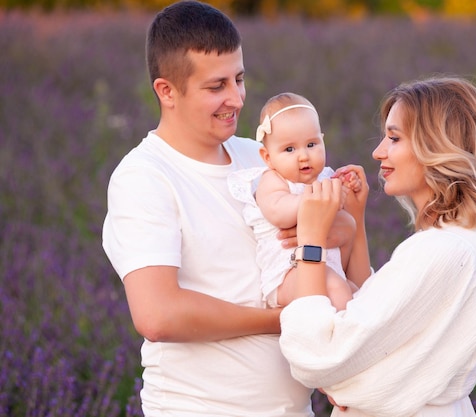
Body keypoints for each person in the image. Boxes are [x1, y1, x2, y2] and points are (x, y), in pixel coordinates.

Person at [102, 1, 353, 415]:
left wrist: (336, 222)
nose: (236, 99)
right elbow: (158, 315)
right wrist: (288, 317)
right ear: (167, 91)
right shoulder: (145, 177)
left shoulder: (261, 156)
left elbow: (335, 233)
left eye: (239, 79)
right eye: (216, 86)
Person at [278, 76, 476, 417]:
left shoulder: (440, 250)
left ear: (436, 146)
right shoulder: (475, 240)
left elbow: (320, 358)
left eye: (394, 138)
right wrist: (356, 220)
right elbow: (375, 317)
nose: (378, 152)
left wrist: (311, 242)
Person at [228, 92, 370, 310]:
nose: (303, 156)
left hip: (327, 265)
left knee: (358, 293)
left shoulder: (324, 178)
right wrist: (314, 199)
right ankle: (343, 339)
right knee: (337, 289)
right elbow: (277, 211)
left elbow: (345, 217)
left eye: (312, 145)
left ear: (323, 140)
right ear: (267, 157)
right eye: (290, 149)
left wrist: (346, 189)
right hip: (287, 272)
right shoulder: (272, 180)